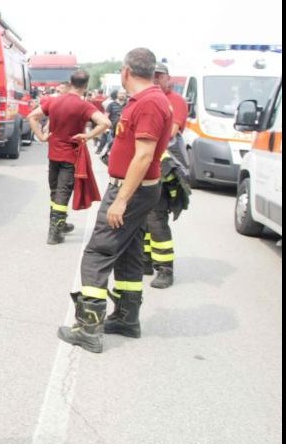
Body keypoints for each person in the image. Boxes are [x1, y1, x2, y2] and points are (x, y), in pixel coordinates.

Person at [57, 47, 172, 354]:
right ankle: (126, 317)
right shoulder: (150, 99)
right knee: (129, 252)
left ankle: (89, 328)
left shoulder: (148, 102)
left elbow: (145, 154)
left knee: (98, 252)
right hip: (139, 190)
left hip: (130, 191)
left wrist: (120, 200)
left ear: (125, 72)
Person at [27, 70, 111, 245]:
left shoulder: (53, 101)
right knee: (63, 193)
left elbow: (32, 116)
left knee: (55, 191)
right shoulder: (84, 106)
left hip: (53, 154)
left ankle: (60, 223)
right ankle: (54, 232)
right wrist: (88, 136)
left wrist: (42, 137)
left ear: (71, 83)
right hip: (70, 156)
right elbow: (105, 123)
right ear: (86, 86)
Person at [141, 62, 192, 288]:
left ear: (167, 78)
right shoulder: (146, 98)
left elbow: (170, 131)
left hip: (163, 168)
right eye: (152, 76)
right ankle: (145, 260)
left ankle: (165, 269)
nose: (155, 79)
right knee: (140, 217)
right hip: (143, 166)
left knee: (156, 218)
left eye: (159, 76)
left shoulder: (175, 101)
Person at [99, 89, 128, 160]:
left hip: (124, 131)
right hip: (112, 130)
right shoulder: (111, 105)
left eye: (124, 94)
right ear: (117, 95)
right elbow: (105, 116)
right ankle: (107, 158)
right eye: (121, 93)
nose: (122, 95)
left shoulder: (128, 105)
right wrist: (106, 128)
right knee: (112, 146)